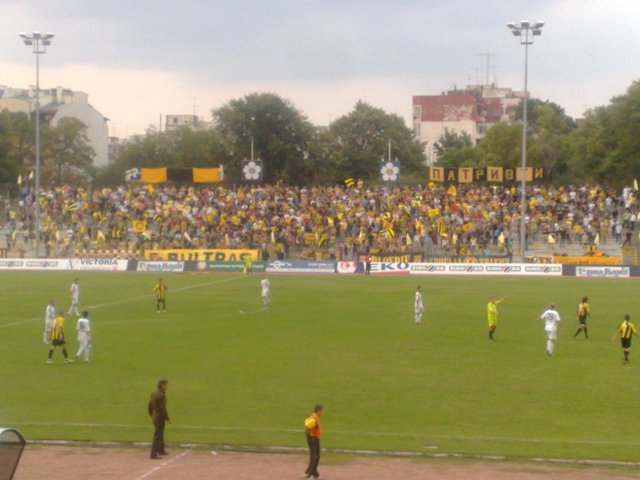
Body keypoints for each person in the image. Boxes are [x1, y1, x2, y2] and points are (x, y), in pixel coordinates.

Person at [148, 379, 170, 459]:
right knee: (158, 435)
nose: (167, 386)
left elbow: (149, 406)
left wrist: (152, 415)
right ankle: (153, 453)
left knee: (160, 433)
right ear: (162, 386)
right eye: (166, 385)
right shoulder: (161, 396)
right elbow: (163, 408)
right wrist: (167, 418)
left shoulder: (153, 394)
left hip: (155, 416)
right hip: (159, 417)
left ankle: (161, 450)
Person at [304, 404, 323, 479]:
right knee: (315, 456)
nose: (322, 412)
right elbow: (307, 427)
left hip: (314, 438)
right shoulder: (314, 419)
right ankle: (310, 474)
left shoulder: (313, 417)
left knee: (316, 456)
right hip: (313, 439)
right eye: (321, 411)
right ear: (318, 411)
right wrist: (310, 436)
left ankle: (314, 473)